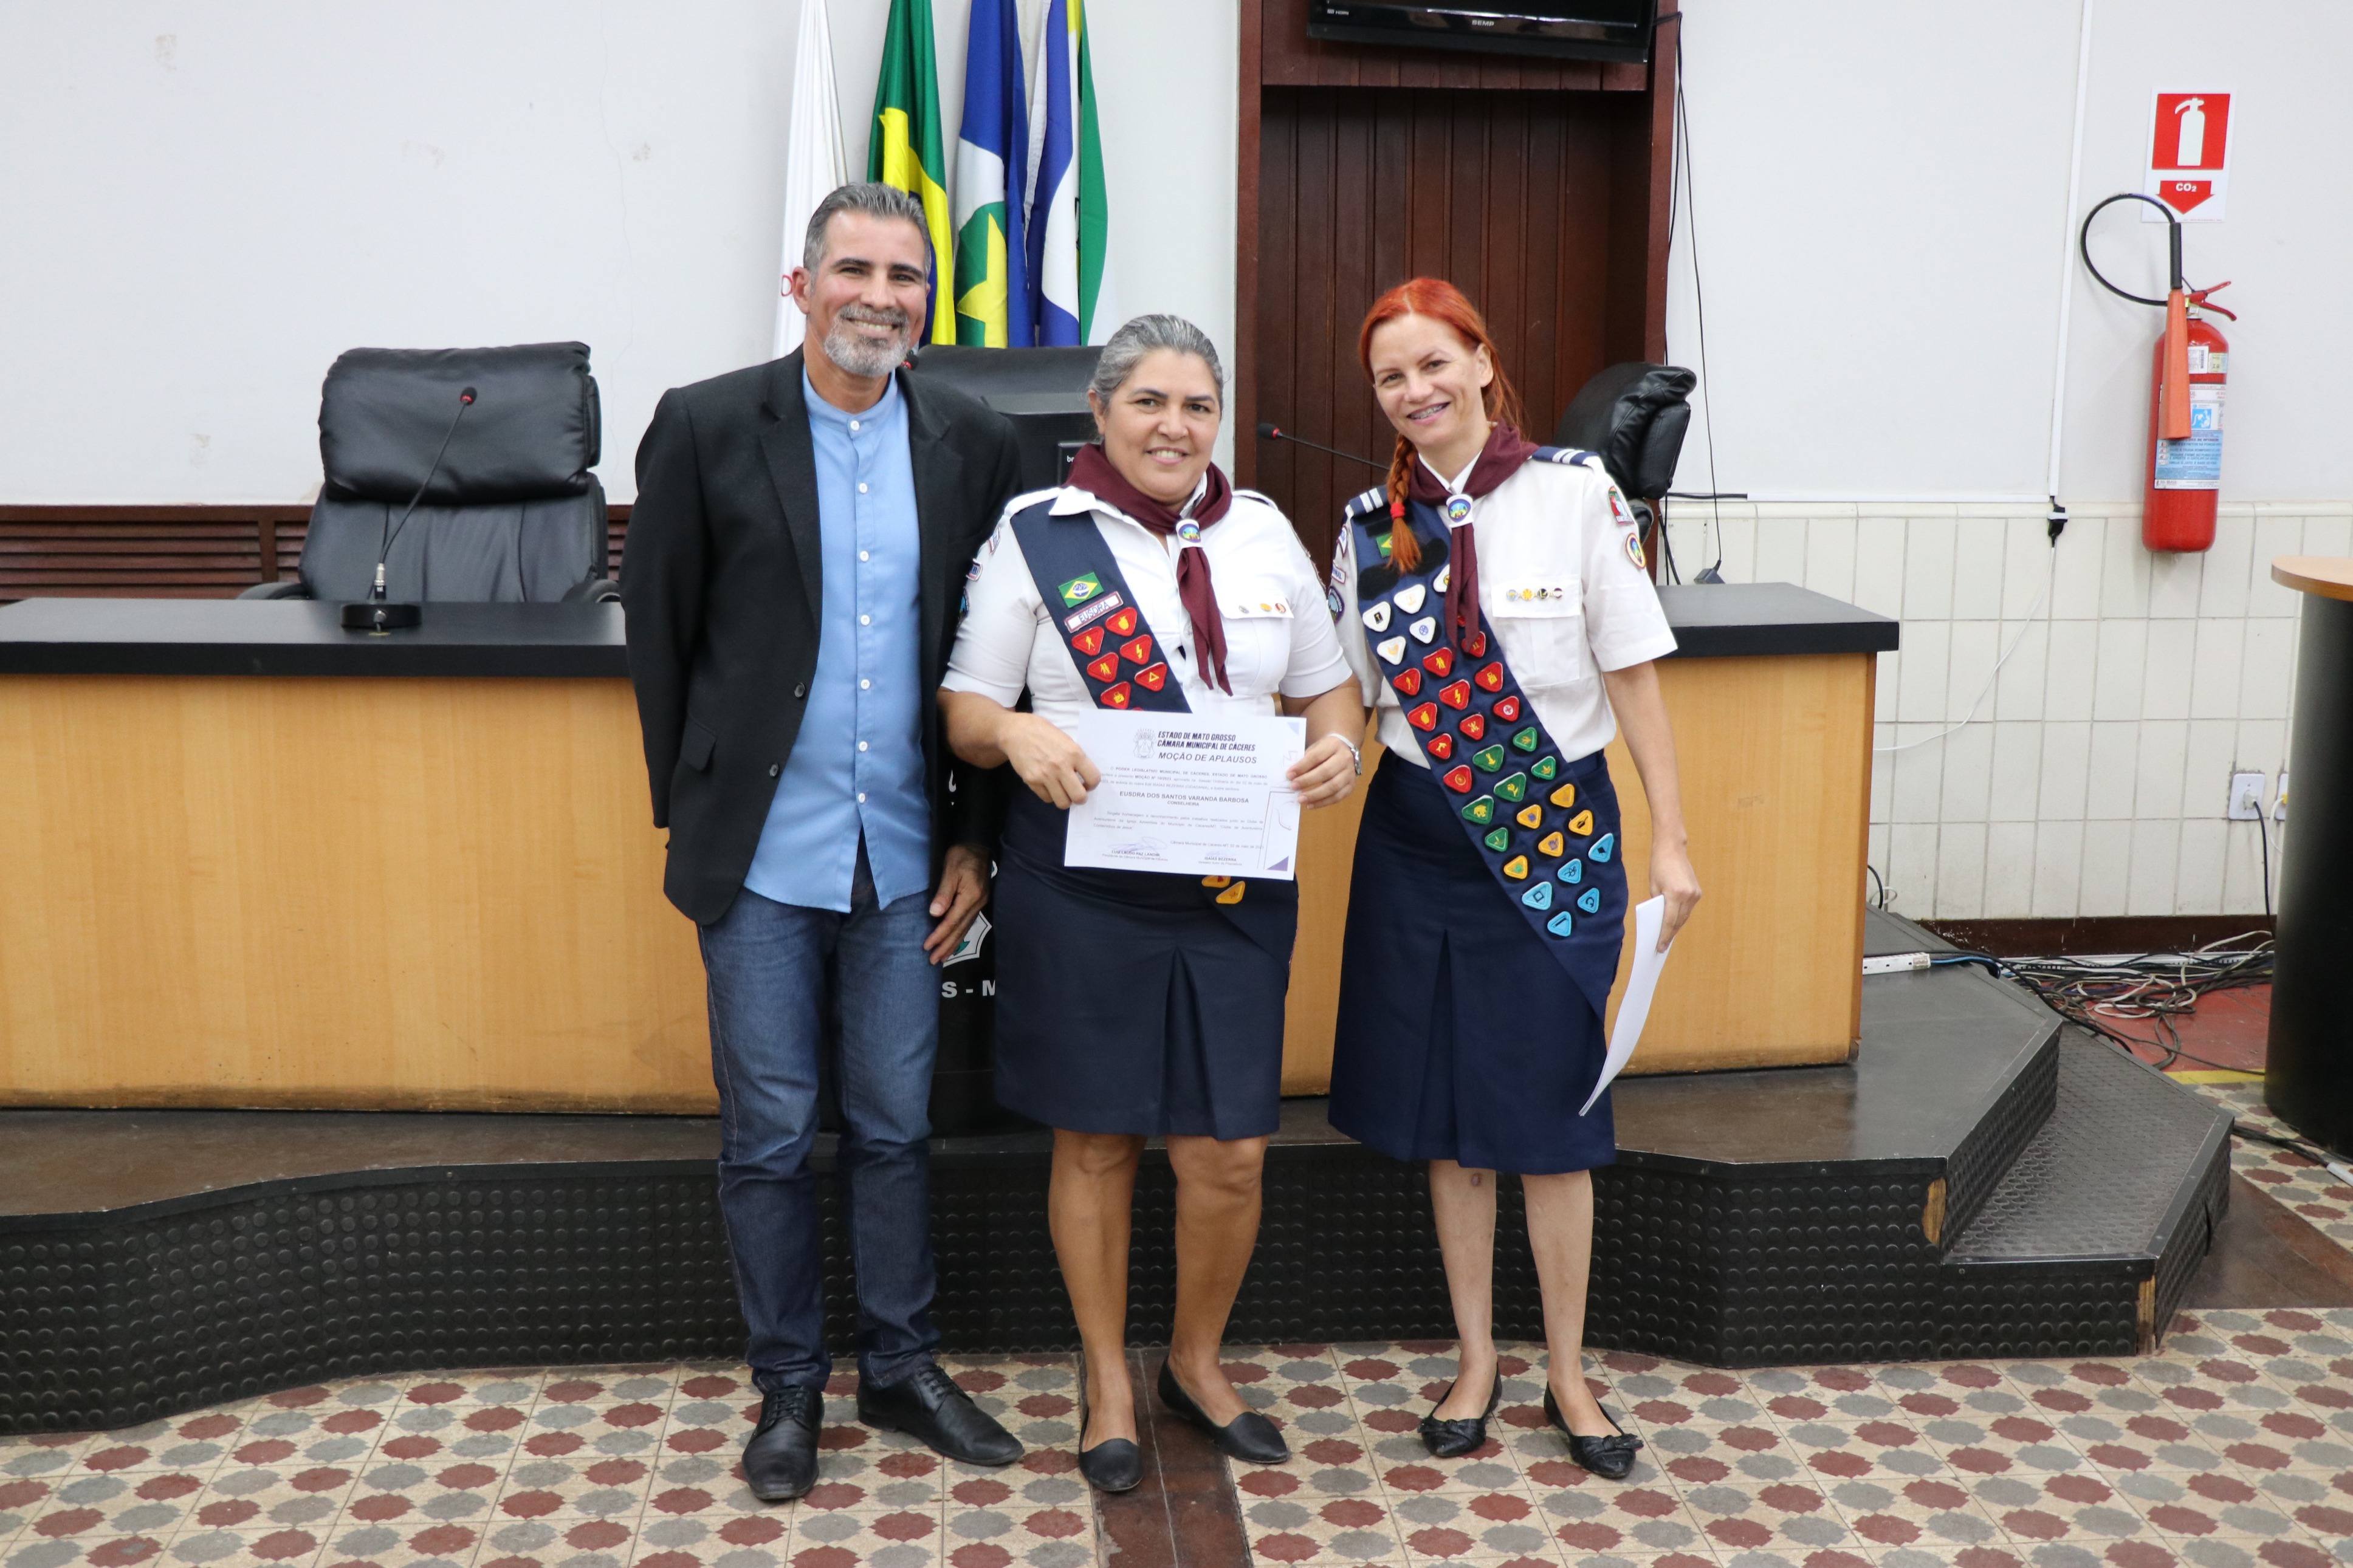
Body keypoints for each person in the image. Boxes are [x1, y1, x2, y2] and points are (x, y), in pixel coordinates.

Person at [619, 182, 1028, 1504]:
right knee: (771, 1134)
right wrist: (695, 810)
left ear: (927, 304)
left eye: (904, 276)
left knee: (898, 1125)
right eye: (854, 269)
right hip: (760, 860)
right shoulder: (704, 425)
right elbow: (658, 633)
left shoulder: (974, 440)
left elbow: (994, 662)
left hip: (907, 853)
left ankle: (900, 1365)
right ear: (802, 286)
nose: (879, 296)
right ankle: (788, 1382)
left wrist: (977, 838)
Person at [939, 315, 1364, 1493]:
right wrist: (1016, 730)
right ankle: (1107, 1379)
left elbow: (1330, 694)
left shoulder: (1265, 531)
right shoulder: (1038, 535)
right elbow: (965, 710)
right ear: (1100, 409)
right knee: (1098, 1136)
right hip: (1084, 886)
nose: (1174, 426)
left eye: (1197, 406)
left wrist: (1340, 751)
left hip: (1231, 888)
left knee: (1229, 1151)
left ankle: (1193, 1361)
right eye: (1149, 402)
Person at [1325, 278, 1702, 1481]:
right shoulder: (1369, 527)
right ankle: (1478, 1357)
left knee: (1553, 1116)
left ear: (1483, 363)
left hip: (1552, 833)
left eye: (1435, 363)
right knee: (1453, 1122)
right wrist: (1316, 753)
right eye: (1392, 376)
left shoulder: (1575, 495)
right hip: (1414, 840)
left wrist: (1670, 838)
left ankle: (1570, 1371)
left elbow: (1632, 672)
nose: (1417, 390)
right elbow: (1345, 697)